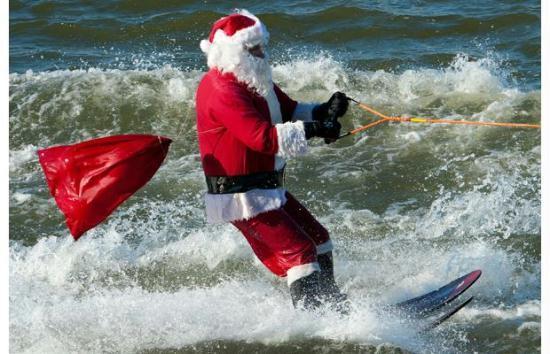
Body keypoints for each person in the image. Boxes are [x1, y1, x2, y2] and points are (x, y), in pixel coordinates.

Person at [195, 9, 349, 312]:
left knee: (318, 238)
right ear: (233, 52)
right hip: (240, 195)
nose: (262, 54)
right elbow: (261, 138)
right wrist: (315, 130)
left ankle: (333, 308)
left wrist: (324, 111)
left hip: (265, 189)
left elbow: (289, 111)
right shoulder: (222, 89)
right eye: (254, 49)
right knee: (300, 252)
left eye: (261, 46)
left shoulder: (250, 78)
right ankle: (316, 326)